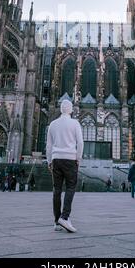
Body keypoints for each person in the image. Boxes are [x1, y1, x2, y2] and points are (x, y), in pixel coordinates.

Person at [46, 99, 83, 233]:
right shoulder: (75, 123)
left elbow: (48, 145)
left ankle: (57, 222)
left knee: (56, 190)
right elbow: (80, 143)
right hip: (70, 159)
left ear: (61, 110)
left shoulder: (53, 124)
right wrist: (78, 158)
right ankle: (65, 217)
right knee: (70, 187)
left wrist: (49, 161)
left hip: (56, 159)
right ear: (71, 110)